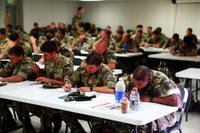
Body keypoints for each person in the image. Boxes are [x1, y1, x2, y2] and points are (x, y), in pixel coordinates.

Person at [114, 65, 181, 133]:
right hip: (142, 110)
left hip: (164, 115)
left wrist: (151, 99)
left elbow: (176, 101)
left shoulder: (161, 79)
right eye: (134, 83)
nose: (136, 86)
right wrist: (125, 93)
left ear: (149, 79)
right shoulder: (132, 77)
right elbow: (117, 87)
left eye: (139, 85)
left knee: (143, 126)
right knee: (117, 122)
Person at [64, 52, 116, 133]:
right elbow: (70, 78)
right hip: (83, 101)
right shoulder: (83, 67)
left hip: (98, 104)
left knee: (96, 118)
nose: (88, 69)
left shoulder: (105, 70)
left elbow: (112, 89)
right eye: (87, 66)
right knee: (64, 111)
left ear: (98, 66)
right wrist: (68, 84)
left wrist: (91, 89)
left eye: (91, 68)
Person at [30, 40, 75, 133]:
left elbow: (67, 82)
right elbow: (47, 74)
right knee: (29, 105)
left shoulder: (66, 62)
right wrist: (38, 70)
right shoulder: (48, 60)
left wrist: (48, 80)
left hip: (59, 93)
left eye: (46, 55)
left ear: (54, 53)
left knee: (45, 108)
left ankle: (47, 127)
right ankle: (54, 120)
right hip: (47, 91)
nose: (44, 57)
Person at [0, 45, 35, 132]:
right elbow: (3, 72)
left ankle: (28, 127)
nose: (11, 60)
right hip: (13, 91)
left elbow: (19, 78)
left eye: (13, 58)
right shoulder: (13, 62)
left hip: (27, 94)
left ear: (20, 56)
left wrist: (3, 79)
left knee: (17, 104)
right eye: (10, 58)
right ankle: (9, 121)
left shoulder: (27, 62)